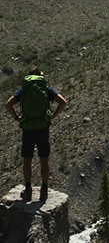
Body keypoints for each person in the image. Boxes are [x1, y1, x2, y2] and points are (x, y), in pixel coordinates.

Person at [5, 66, 67, 202]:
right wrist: (53, 116)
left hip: (28, 127)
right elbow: (63, 102)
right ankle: (44, 190)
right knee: (44, 159)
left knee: (27, 159)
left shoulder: (24, 90)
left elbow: (8, 104)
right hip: (43, 127)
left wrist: (17, 118)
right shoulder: (45, 89)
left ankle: (28, 189)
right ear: (41, 77)